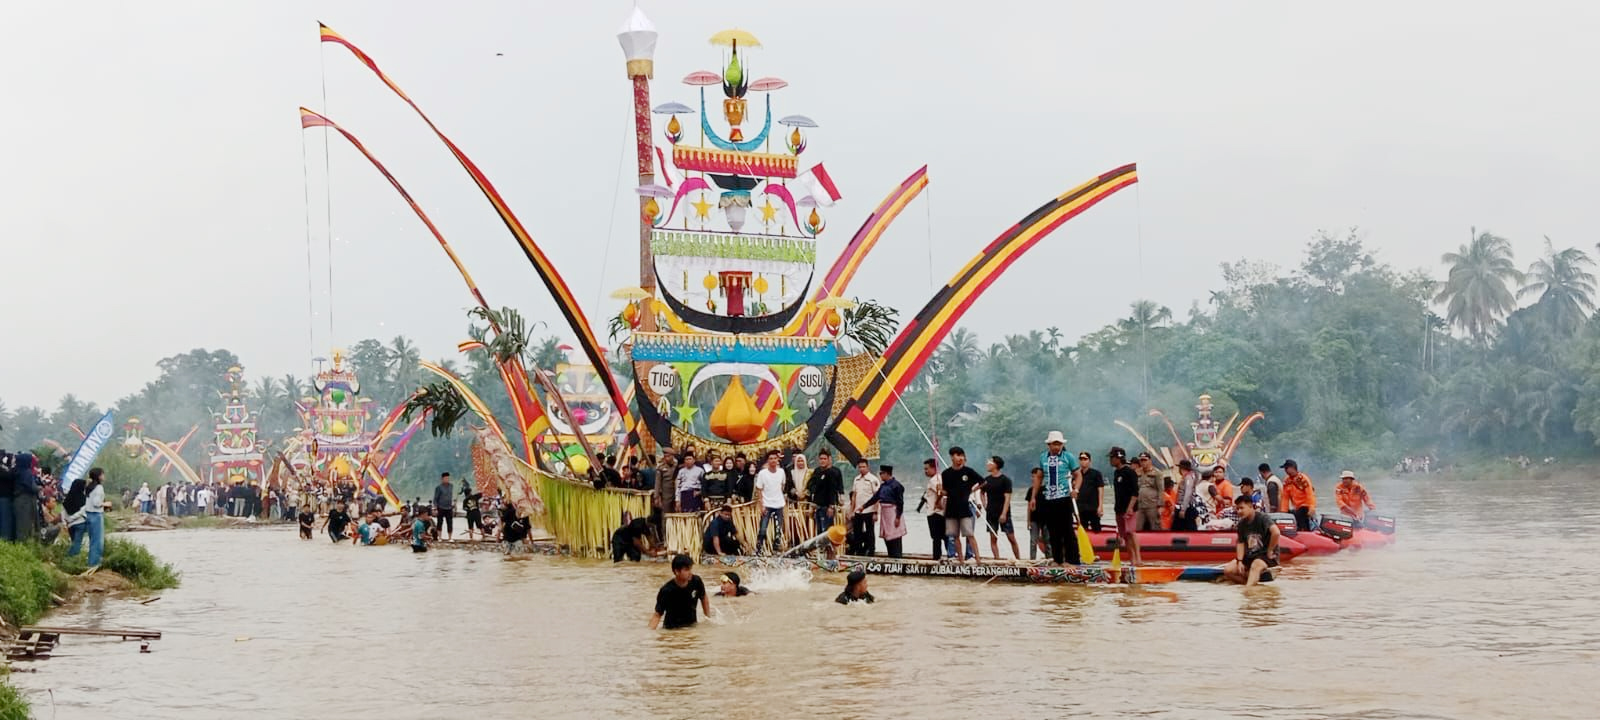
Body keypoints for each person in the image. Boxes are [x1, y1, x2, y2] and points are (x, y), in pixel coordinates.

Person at [1030, 431, 1082, 565]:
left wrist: (1076, 490)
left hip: (1064, 497)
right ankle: (1058, 559)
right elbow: (1039, 477)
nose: (1057, 447)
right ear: (1049, 445)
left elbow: (1078, 475)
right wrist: (1033, 497)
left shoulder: (1068, 457)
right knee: (1053, 531)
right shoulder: (1043, 457)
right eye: (1054, 444)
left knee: (1067, 529)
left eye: (1059, 444)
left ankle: (1072, 559)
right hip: (1049, 498)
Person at [937, 447, 984, 562]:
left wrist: (972, 490)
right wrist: (941, 491)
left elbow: (983, 482)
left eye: (962, 455)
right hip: (951, 508)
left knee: (970, 534)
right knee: (955, 536)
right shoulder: (946, 473)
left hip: (964, 508)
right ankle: (961, 560)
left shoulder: (968, 471)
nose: (960, 458)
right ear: (952, 457)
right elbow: (946, 492)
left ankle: (978, 560)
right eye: (958, 455)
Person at [1223, 495, 1280, 586]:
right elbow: (1240, 543)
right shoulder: (1241, 524)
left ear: (1250, 506)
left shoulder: (1263, 518)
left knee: (1255, 565)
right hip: (1250, 555)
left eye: (1242, 508)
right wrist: (1240, 561)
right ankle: (1251, 585)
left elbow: (1276, 532)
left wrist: (1270, 550)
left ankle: (1249, 589)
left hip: (1266, 555)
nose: (1239, 511)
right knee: (1228, 570)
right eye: (1237, 509)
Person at [650, 554, 710, 630]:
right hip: (672, 630)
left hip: (692, 628)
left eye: (690, 569)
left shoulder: (696, 581)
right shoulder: (666, 590)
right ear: (677, 571)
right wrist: (649, 633)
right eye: (686, 570)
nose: (690, 573)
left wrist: (708, 618)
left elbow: (703, 597)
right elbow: (657, 614)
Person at [861, 464, 907, 559]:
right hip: (885, 513)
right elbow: (875, 498)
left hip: (893, 513)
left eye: (881, 473)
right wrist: (864, 506)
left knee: (895, 537)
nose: (880, 475)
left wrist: (898, 517)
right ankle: (890, 556)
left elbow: (900, 503)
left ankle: (897, 557)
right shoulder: (883, 486)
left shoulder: (896, 486)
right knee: (887, 537)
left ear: (886, 474)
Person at [915, 459, 954, 560]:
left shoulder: (934, 480)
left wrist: (937, 502)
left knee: (936, 538)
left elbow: (940, 492)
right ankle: (950, 555)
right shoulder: (940, 478)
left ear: (934, 468)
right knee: (944, 536)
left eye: (927, 469)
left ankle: (937, 557)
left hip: (934, 513)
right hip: (940, 512)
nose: (925, 471)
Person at [1109, 447, 1143, 564]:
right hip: (1119, 508)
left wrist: (1130, 507)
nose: (1110, 460)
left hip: (1129, 508)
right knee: (1124, 535)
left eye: (1112, 457)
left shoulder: (1130, 472)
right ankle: (1132, 559)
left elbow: (1135, 492)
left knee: (1131, 532)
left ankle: (1138, 558)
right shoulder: (1116, 472)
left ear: (1119, 458)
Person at [982, 456, 1020, 560]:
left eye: (990, 462)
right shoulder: (986, 480)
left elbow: (1007, 498)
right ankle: (997, 559)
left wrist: (1004, 514)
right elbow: (982, 492)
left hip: (1004, 513)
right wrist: (984, 504)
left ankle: (1018, 559)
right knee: (993, 538)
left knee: (1011, 538)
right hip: (991, 513)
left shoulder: (1005, 480)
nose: (987, 464)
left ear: (996, 465)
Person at [754, 450, 787, 555]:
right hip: (767, 504)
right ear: (767, 461)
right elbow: (759, 489)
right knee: (763, 528)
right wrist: (761, 505)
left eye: (775, 458)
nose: (773, 460)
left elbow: (782, 485)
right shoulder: (762, 473)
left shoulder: (781, 472)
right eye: (771, 459)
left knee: (778, 529)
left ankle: (776, 550)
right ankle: (759, 549)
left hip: (779, 504)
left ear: (778, 460)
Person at [806, 450, 845, 538]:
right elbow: (810, 484)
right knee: (819, 530)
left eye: (824, 459)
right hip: (818, 505)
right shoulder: (817, 471)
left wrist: (831, 506)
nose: (822, 461)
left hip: (827, 506)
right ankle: (821, 546)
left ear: (829, 459)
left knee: (826, 531)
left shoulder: (832, 472)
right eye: (821, 459)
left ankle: (828, 546)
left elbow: (833, 490)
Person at [848, 459, 880, 556]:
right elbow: (854, 496)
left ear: (868, 467)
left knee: (870, 532)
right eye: (860, 467)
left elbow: (877, 497)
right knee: (857, 532)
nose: (861, 469)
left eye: (863, 467)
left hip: (869, 510)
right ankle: (859, 551)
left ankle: (871, 551)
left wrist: (876, 512)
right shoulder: (856, 479)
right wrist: (851, 511)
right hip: (858, 510)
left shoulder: (873, 479)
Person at [10, 454, 40, 543]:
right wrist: (39, 488)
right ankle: (22, 545)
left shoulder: (16, 470)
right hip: (25, 501)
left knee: (20, 523)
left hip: (18, 500)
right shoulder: (27, 472)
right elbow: (31, 487)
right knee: (24, 524)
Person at [1280, 460, 1317, 531]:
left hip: (1305, 506)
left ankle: (1305, 531)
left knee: (1302, 519)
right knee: (1292, 515)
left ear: (1292, 468)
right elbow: (1285, 497)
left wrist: (1312, 508)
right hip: (1297, 507)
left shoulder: (1303, 479)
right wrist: (1284, 512)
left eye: (1286, 468)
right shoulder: (1287, 481)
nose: (1285, 470)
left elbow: (1310, 494)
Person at [83, 468, 108, 571]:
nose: (104, 476)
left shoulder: (89, 487)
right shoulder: (99, 487)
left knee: (92, 540)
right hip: (96, 515)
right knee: (98, 541)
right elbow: (96, 503)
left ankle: (91, 562)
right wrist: (106, 504)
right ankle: (95, 564)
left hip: (88, 514)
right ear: (99, 476)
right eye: (103, 474)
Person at [1076, 451, 1105, 532]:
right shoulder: (1076, 474)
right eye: (1081, 459)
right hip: (1080, 507)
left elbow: (1100, 489)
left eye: (1085, 459)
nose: (1083, 461)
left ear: (1089, 461)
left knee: (1096, 529)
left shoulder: (1096, 474)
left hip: (1093, 507)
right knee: (1082, 529)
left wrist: (1100, 506)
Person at [1172, 459, 1200, 531]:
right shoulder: (1188, 477)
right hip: (1185, 506)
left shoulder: (1188, 478)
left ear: (1181, 468)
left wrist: (1183, 509)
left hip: (1186, 507)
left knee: (1182, 528)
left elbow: (1188, 493)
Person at [1024, 471, 1046, 560]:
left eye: (1034, 477)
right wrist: (1028, 521)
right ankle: (1032, 560)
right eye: (1032, 476)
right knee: (1033, 541)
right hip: (1034, 519)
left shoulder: (1047, 489)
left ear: (1040, 478)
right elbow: (1029, 507)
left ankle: (1050, 559)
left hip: (1046, 519)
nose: (1032, 479)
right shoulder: (1031, 490)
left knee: (1048, 541)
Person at [63, 477, 88, 555]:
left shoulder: (67, 498)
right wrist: (71, 519)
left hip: (70, 525)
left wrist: (65, 521)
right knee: (77, 543)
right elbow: (81, 512)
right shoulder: (83, 498)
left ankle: (72, 557)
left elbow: (63, 511)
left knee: (74, 542)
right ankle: (70, 557)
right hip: (80, 523)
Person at [432, 472, 455, 539]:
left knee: (450, 523)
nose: (447, 479)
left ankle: (450, 538)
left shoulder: (451, 486)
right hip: (441, 507)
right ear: (442, 479)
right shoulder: (438, 487)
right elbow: (435, 499)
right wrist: (435, 508)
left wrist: (453, 504)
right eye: (446, 478)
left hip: (449, 507)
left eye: (448, 478)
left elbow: (451, 496)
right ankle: (440, 537)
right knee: (440, 522)